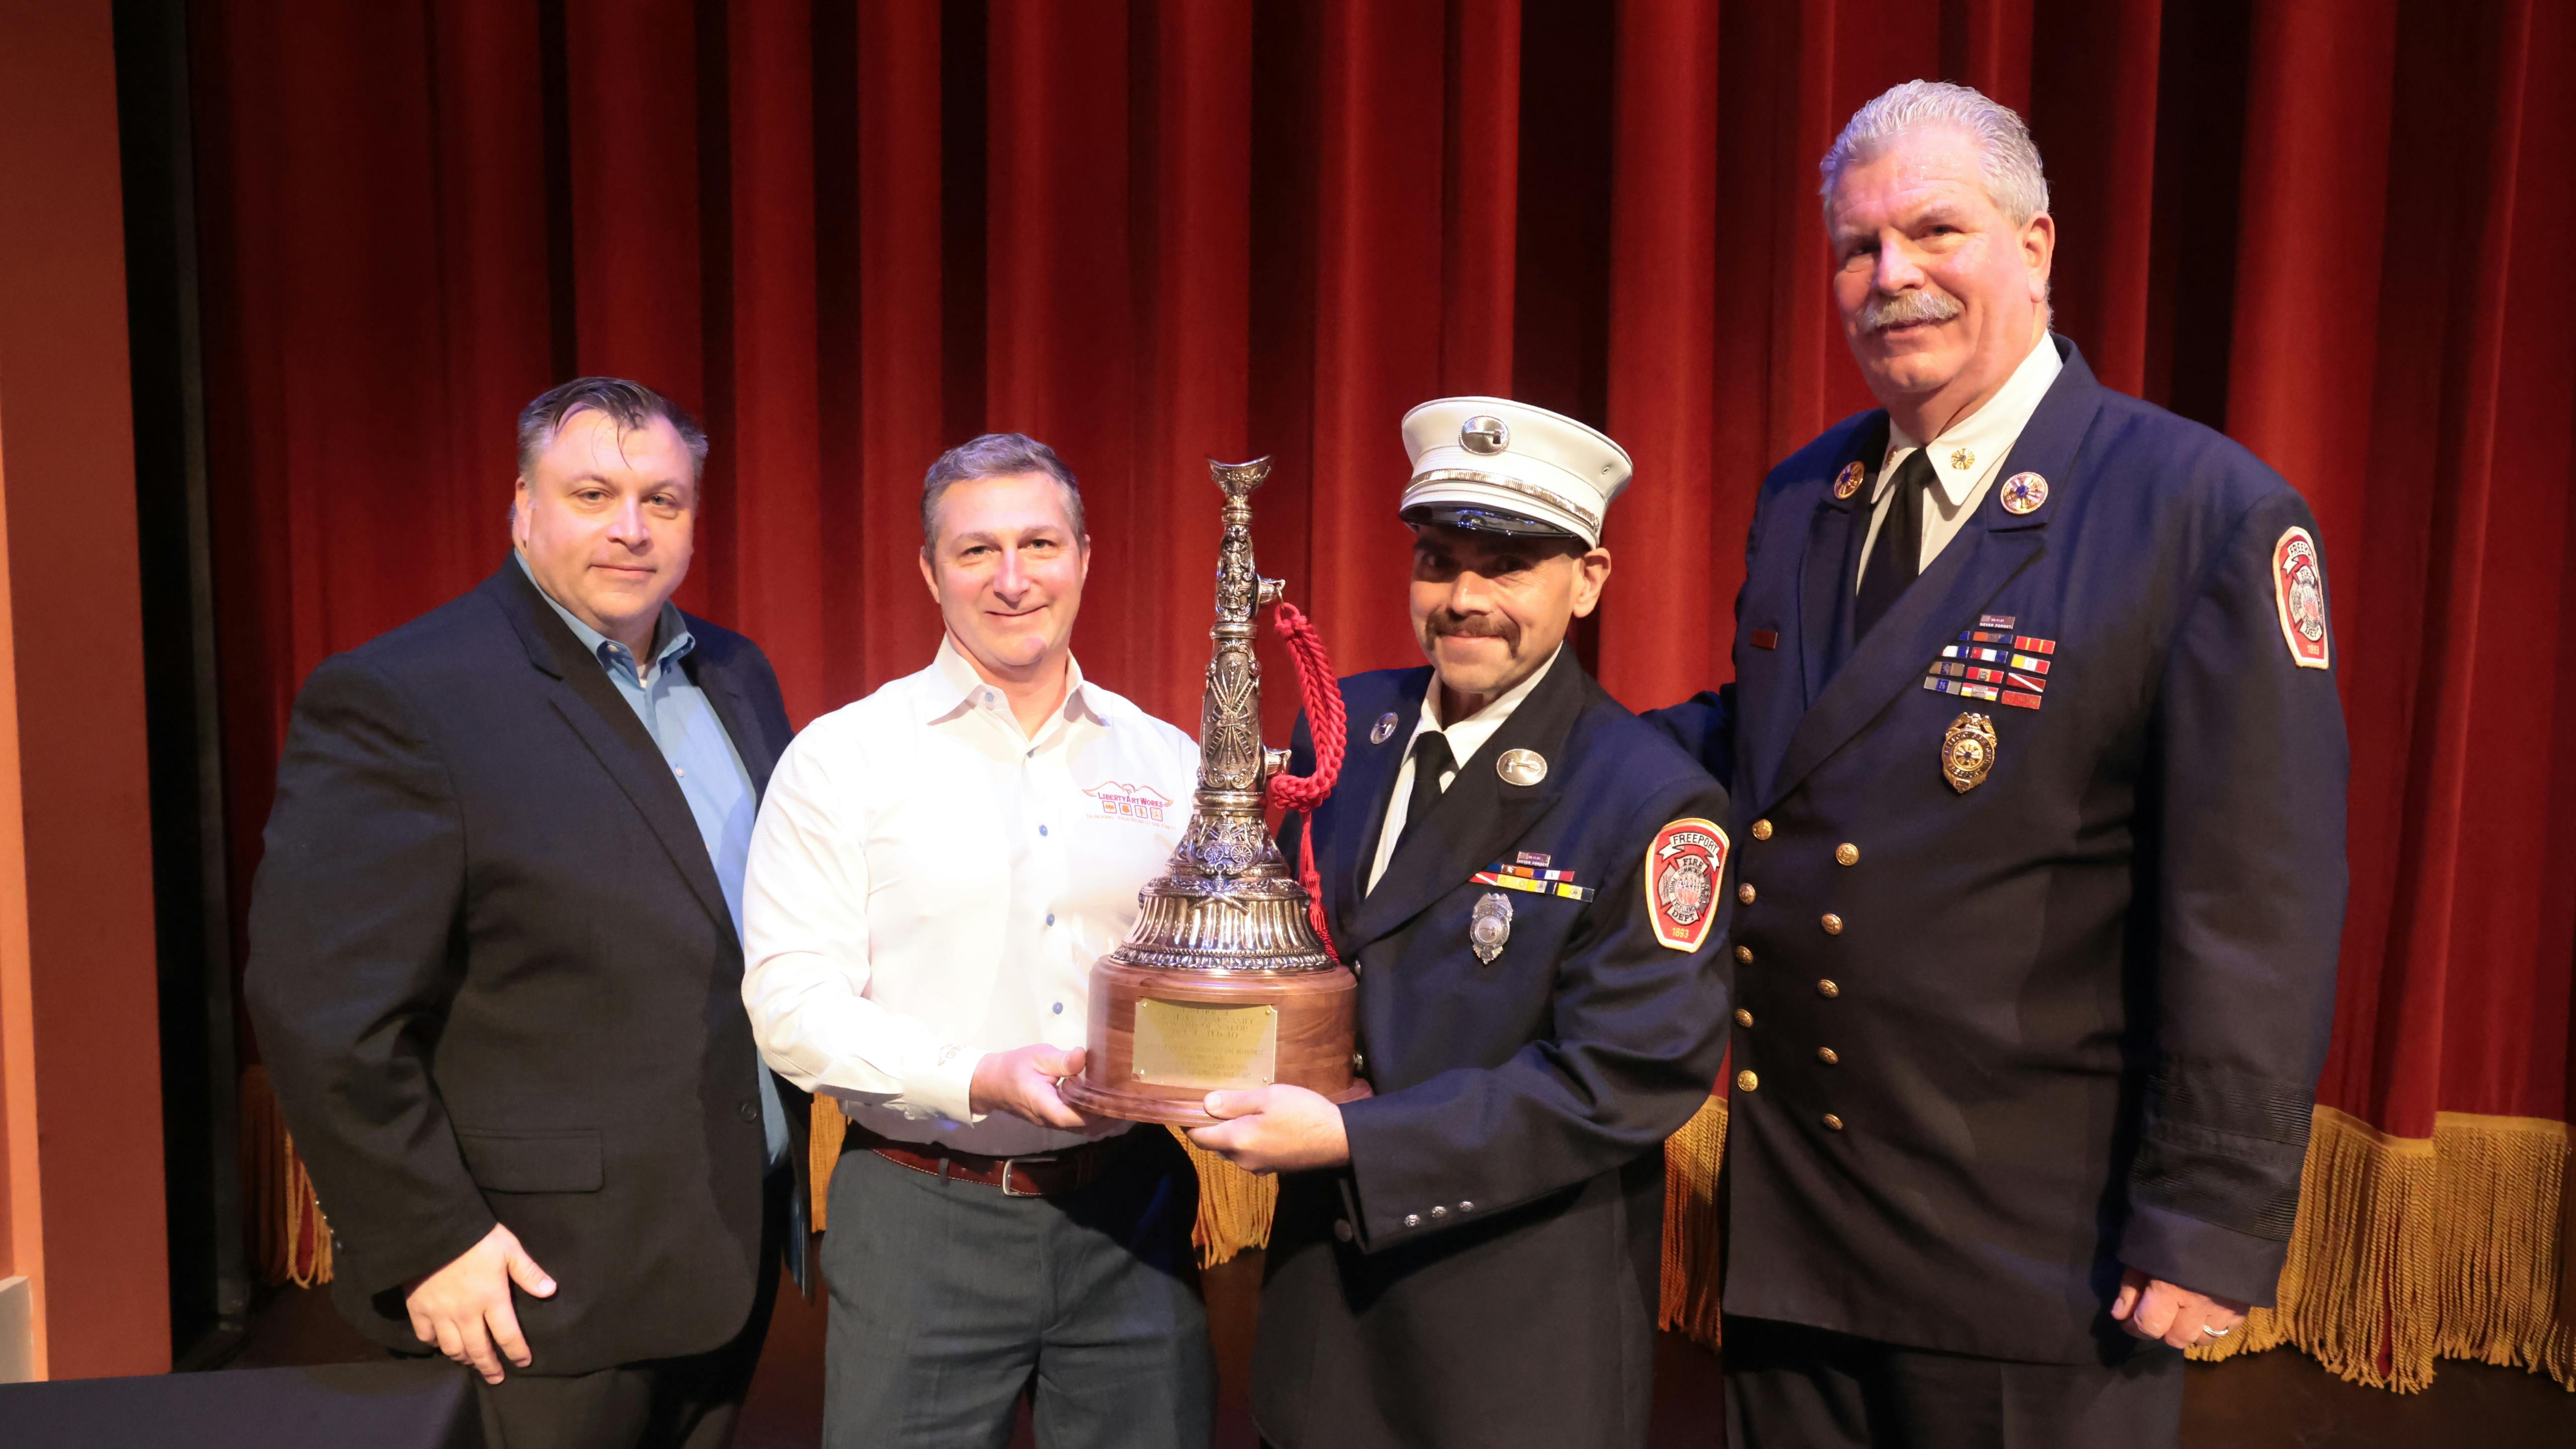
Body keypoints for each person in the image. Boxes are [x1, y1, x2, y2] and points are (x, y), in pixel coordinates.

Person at [1647, 80, 2348, 1447]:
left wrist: (2209, 1210)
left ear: (2032, 247)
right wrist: (1516, 760)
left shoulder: (2197, 510)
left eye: (1932, 232)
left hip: (2040, 1255)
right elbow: (1770, 747)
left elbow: (2254, 901)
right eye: (1857, 249)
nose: (1889, 277)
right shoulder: (1809, 492)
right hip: (1804, 1222)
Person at [245, 377, 807, 1449]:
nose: (631, 529)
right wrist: (430, 1239)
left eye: (664, 500)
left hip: (720, 1248)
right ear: (521, 506)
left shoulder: (736, 674)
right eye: (592, 493)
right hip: (527, 1282)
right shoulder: (406, 695)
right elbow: (322, 1010)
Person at [1189, 399, 1735, 1449]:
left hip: (1511, 1343)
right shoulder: (1346, 725)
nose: (1464, 600)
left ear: (1589, 580)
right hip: (1324, 1323)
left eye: (1510, 566)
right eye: (1438, 561)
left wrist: (1353, 1135)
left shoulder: (1649, 797)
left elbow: (1623, 1078)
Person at [739, 433, 1213, 1449]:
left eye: (1040, 544)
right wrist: (978, 1076)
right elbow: (790, 1010)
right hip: (921, 1209)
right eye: (975, 551)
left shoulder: (1169, 760)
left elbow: (1204, 983)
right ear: (929, 570)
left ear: (1085, 559)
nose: (1012, 580)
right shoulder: (843, 760)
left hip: (1130, 1209)